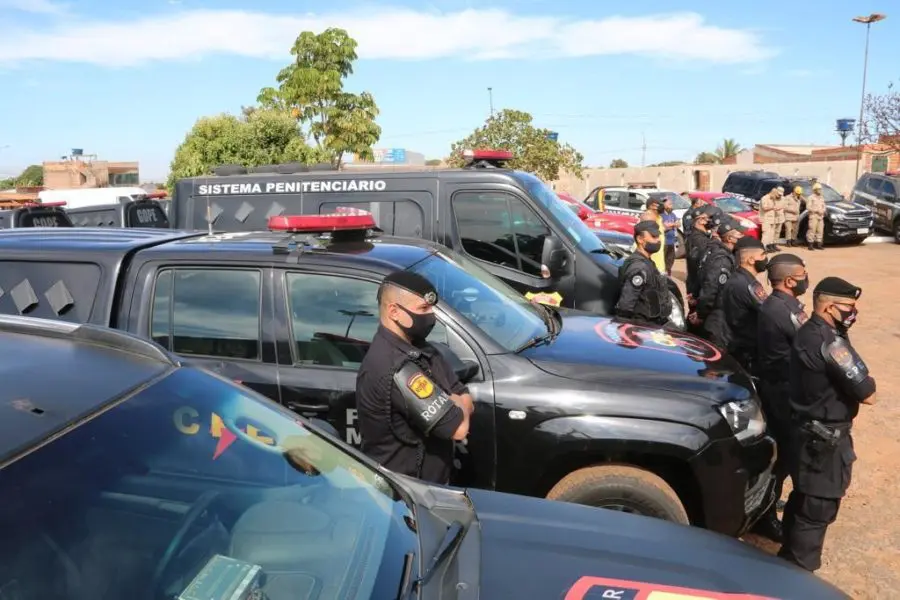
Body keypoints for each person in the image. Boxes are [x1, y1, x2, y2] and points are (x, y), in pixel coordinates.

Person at [778, 276, 877, 572]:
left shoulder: (809, 331)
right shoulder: (831, 344)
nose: (853, 313)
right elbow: (867, 392)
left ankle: (787, 560)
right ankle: (797, 575)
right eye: (848, 307)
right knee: (817, 508)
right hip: (825, 442)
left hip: (805, 431)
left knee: (802, 499)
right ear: (830, 307)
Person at [356, 271, 475, 484]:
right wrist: (455, 404)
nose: (431, 316)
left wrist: (456, 403)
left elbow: (462, 393)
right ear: (394, 311)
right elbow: (458, 429)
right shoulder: (395, 368)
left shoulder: (420, 348)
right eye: (423, 309)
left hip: (428, 486)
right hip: (405, 494)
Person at [754, 253, 811, 542]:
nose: (805, 279)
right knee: (784, 458)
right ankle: (764, 517)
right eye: (802, 275)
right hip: (783, 392)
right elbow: (809, 343)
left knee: (784, 458)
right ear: (789, 280)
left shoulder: (779, 305)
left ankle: (766, 505)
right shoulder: (781, 310)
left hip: (781, 387)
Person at [721, 236, 769, 375]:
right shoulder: (747, 285)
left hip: (738, 344)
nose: (765, 258)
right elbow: (767, 311)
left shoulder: (739, 278)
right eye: (762, 255)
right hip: (746, 349)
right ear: (751, 260)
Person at [695, 217, 744, 349]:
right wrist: (701, 313)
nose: (743, 237)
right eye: (739, 234)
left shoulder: (719, 252)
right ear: (729, 239)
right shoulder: (722, 259)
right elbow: (711, 290)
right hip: (716, 319)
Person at [615, 220, 672, 326]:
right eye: (653, 237)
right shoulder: (638, 267)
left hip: (652, 323)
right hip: (642, 326)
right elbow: (626, 304)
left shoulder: (647, 261)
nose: (658, 240)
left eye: (658, 236)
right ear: (640, 239)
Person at [640, 197, 666, 273]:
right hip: (650, 267)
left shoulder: (658, 217)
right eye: (659, 205)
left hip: (658, 264)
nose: (661, 206)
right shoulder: (647, 218)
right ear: (651, 206)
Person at [759, 186, 782, 253]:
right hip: (766, 219)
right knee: (766, 234)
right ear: (772, 193)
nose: (776, 197)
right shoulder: (765, 198)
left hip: (772, 219)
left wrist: (776, 208)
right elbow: (764, 208)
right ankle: (763, 247)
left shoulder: (772, 199)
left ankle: (769, 246)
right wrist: (772, 207)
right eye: (775, 195)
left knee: (771, 234)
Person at [806, 183, 827, 251]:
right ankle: (810, 244)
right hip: (813, 216)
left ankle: (819, 244)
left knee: (820, 230)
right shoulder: (811, 197)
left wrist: (823, 211)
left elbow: (824, 206)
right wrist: (816, 210)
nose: (820, 190)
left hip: (820, 216)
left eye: (820, 189)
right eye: (819, 189)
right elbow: (808, 207)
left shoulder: (822, 197)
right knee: (812, 230)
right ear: (815, 190)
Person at [661, 197, 679, 276]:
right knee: (663, 259)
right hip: (664, 242)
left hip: (672, 241)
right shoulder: (661, 215)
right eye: (669, 204)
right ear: (664, 205)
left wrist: (670, 225)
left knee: (671, 259)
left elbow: (678, 224)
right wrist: (672, 225)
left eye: (671, 204)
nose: (671, 206)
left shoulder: (673, 214)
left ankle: (668, 273)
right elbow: (663, 227)